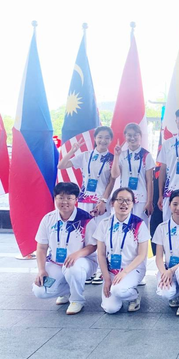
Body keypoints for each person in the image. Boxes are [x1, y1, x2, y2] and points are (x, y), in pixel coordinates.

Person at [32, 182, 98, 315]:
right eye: (61, 197)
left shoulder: (86, 219)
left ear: (76, 199)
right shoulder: (48, 219)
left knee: (73, 268)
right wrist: (41, 270)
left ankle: (77, 300)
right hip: (56, 262)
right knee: (40, 291)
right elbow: (41, 248)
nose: (65, 201)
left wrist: (77, 254)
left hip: (82, 262)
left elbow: (93, 245)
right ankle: (69, 289)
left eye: (69, 198)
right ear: (55, 198)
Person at [93, 187, 150, 314]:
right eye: (120, 200)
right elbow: (101, 254)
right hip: (111, 270)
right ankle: (120, 290)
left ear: (133, 204)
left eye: (128, 200)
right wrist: (107, 278)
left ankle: (134, 295)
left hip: (132, 269)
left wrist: (124, 273)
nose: (124, 203)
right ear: (112, 203)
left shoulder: (139, 224)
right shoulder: (104, 224)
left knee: (118, 290)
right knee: (110, 309)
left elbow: (141, 255)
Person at [58, 126, 115, 223]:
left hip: (101, 201)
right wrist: (72, 151)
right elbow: (61, 165)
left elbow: (111, 182)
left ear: (110, 140)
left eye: (107, 138)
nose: (103, 140)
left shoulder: (112, 159)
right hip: (84, 200)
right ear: (95, 138)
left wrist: (104, 201)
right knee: (84, 228)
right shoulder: (85, 155)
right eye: (100, 137)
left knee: (101, 229)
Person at [111, 122, 156, 226]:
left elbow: (149, 181)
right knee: (124, 226)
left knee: (139, 227)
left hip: (141, 199)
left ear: (140, 136)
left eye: (135, 135)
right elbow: (114, 175)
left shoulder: (146, 155)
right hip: (124, 198)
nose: (132, 138)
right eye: (129, 135)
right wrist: (116, 156)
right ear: (125, 136)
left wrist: (149, 201)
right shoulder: (121, 155)